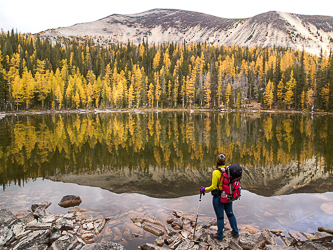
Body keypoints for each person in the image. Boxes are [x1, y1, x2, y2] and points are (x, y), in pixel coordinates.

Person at [200, 153, 239, 240]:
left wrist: (204, 189)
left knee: (220, 216)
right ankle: (235, 232)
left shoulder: (216, 172)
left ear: (217, 161)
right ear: (225, 161)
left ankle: (220, 235)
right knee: (230, 213)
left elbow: (213, 187)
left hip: (219, 197)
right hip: (228, 195)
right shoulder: (229, 171)